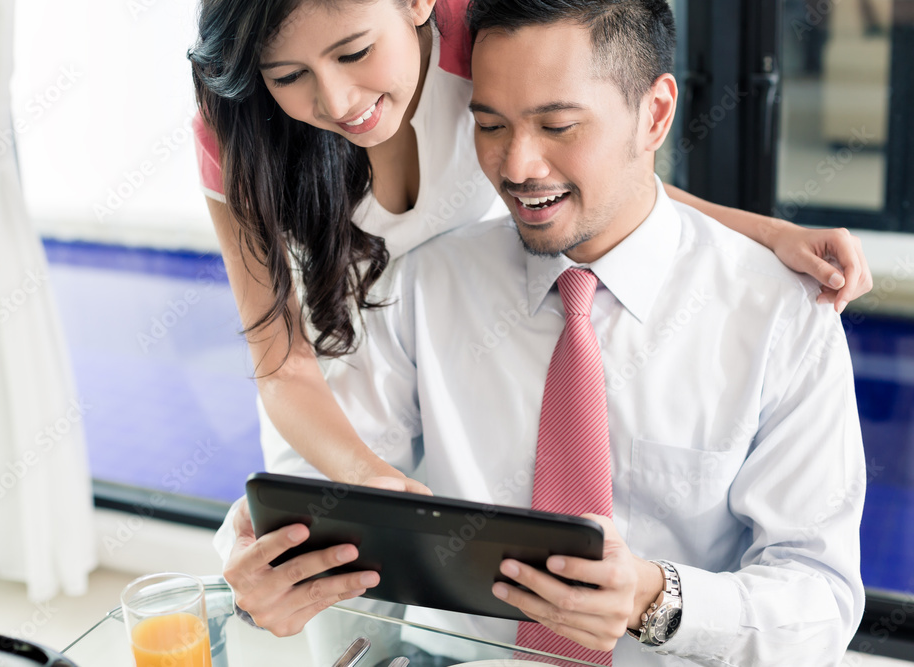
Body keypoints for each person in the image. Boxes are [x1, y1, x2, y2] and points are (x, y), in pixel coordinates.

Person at [216, 0, 867, 664]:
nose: (518, 166)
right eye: (490, 125)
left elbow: (820, 599)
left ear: (655, 115)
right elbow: (324, 485)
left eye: (558, 126)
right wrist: (259, 556)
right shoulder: (423, 286)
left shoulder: (781, 317)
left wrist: (655, 598)